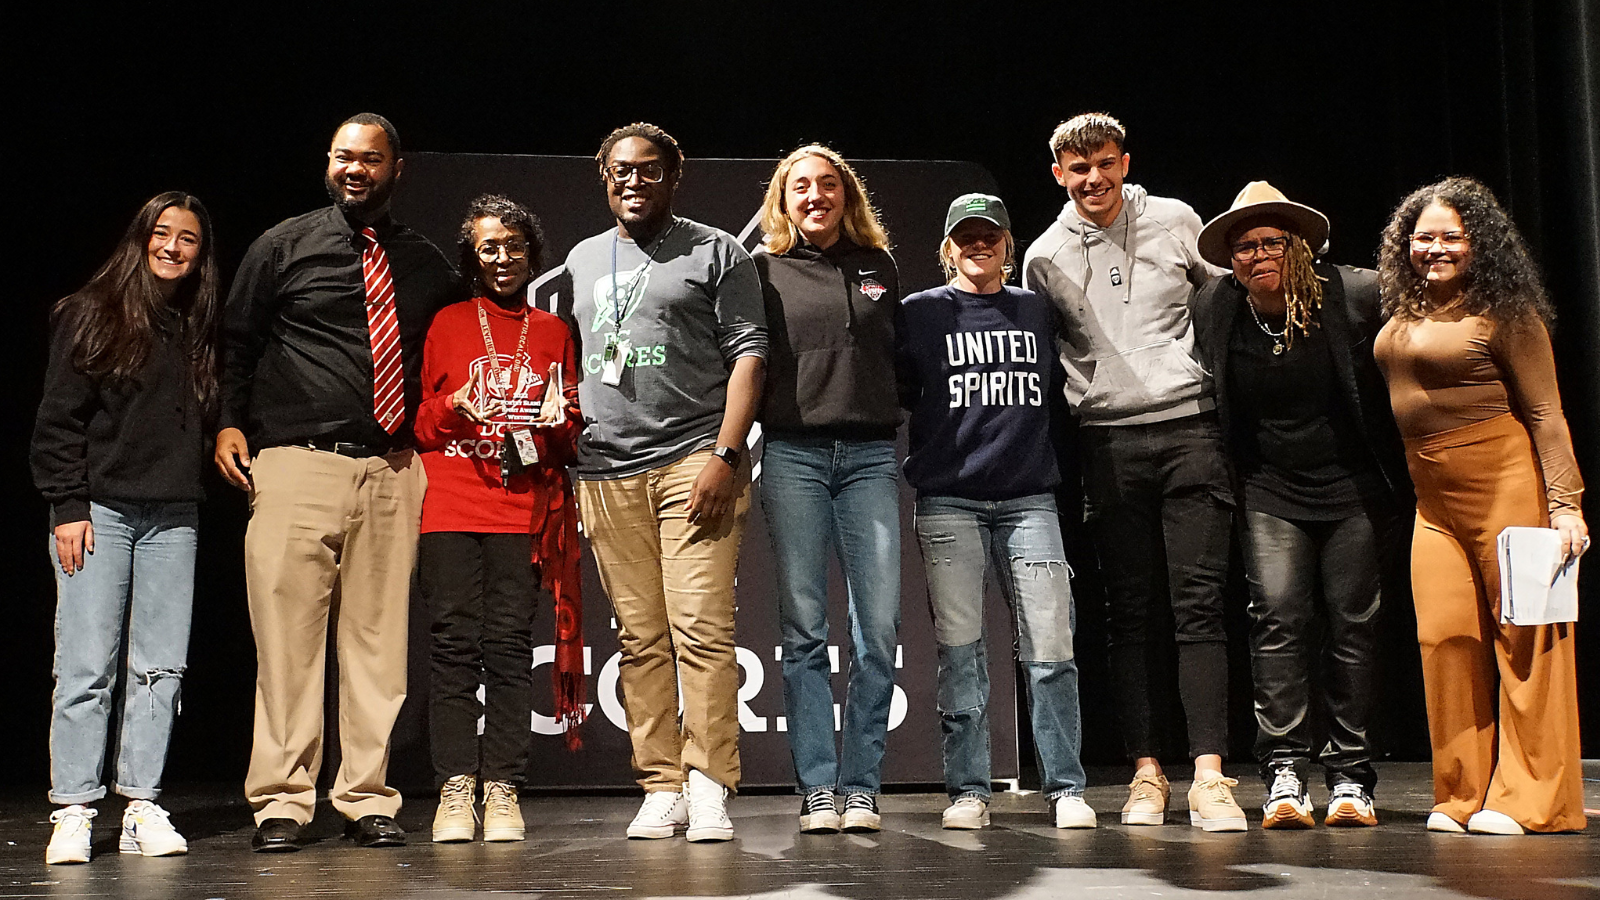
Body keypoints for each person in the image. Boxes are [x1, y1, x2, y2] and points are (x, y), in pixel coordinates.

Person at [216, 113, 461, 851]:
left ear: (396, 168)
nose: (354, 169)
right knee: (287, 645)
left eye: (370, 159)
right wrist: (227, 423)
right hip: (296, 462)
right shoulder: (282, 246)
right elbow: (236, 342)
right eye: (342, 157)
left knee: (378, 647)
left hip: (391, 470)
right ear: (328, 163)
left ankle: (365, 797)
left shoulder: (424, 262)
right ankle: (283, 802)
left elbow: (448, 358)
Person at [1022, 112, 1244, 831]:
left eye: (1104, 164)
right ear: (1058, 174)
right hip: (1109, 442)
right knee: (1130, 613)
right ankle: (1147, 774)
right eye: (1078, 169)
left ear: (1124, 162)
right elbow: (1045, 354)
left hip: (1191, 431)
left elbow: (1226, 303)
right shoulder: (1045, 256)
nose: (1093, 179)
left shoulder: (1177, 220)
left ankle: (1209, 775)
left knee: (1199, 607)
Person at [561, 123, 766, 842]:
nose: (634, 181)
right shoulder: (583, 258)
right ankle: (661, 785)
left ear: (674, 177)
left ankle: (708, 785)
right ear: (605, 177)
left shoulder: (716, 250)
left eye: (649, 170)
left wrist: (726, 455)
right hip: (606, 470)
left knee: (701, 631)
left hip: (694, 461)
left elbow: (749, 357)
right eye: (621, 170)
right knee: (640, 638)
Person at [1374, 176, 1588, 835]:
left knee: (1527, 638)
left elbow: (1547, 414)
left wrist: (1567, 505)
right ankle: (1462, 794)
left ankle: (1534, 801)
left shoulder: (1507, 314)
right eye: (1423, 237)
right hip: (1432, 501)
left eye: (1451, 237)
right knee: (1444, 637)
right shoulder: (1406, 310)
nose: (1434, 249)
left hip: (1505, 484)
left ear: (1479, 244)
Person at [1192, 182, 1410, 828]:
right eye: (1245, 246)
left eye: (1273, 243)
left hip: (1353, 488)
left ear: (1302, 248)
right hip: (1270, 490)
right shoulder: (1218, 306)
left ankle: (1349, 775)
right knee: (1278, 620)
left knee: (1352, 626)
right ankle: (1285, 770)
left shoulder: (1358, 295)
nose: (1258, 255)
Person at [31, 192, 219, 864]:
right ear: (140, 238)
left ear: (201, 253)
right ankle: (74, 809)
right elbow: (58, 421)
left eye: (188, 238)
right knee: (86, 666)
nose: (172, 247)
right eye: (162, 233)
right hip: (100, 513)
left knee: (159, 669)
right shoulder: (91, 313)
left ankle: (141, 803)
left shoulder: (196, 325)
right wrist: (68, 507)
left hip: (173, 516)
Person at [899, 193, 1096, 831]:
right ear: (948, 248)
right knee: (960, 650)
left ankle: (1065, 788)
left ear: (1009, 244)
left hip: (1029, 499)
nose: (978, 245)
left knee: (1051, 647)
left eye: (990, 235)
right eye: (966, 236)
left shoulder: (1037, 310)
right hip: (948, 501)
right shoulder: (919, 313)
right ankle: (968, 791)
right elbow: (899, 392)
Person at [413, 195, 583, 843]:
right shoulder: (449, 322)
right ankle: (456, 788)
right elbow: (421, 423)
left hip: (521, 508)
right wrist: (453, 404)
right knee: (453, 645)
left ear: (531, 254)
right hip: (451, 503)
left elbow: (568, 435)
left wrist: (556, 424)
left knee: (510, 646)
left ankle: (504, 787)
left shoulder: (553, 331)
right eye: (489, 247)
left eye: (514, 246)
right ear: (473, 257)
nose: (503, 258)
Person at [753, 145, 902, 834]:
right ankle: (818, 786)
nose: (816, 195)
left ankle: (861, 786)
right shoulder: (763, 270)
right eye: (801, 186)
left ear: (848, 195)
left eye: (828, 184)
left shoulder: (880, 266)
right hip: (794, 457)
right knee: (805, 630)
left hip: (869, 457)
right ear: (783, 200)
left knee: (878, 630)